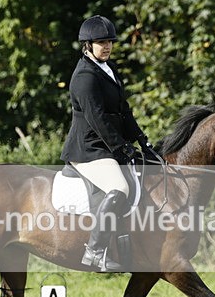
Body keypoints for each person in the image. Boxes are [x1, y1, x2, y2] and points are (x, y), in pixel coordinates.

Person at [61, 15, 156, 272]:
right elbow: (97, 119)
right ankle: (94, 251)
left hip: (106, 147)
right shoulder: (84, 76)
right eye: (101, 42)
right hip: (89, 150)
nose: (107, 46)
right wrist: (121, 148)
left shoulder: (108, 69)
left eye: (109, 42)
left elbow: (123, 111)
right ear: (87, 45)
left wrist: (141, 141)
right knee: (119, 187)